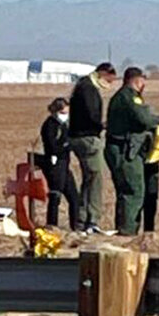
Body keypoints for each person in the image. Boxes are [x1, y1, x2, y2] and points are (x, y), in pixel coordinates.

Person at [104, 67, 159, 236]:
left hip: (121, 149)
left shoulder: (121, 96)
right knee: (134, 191)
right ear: (139, 80)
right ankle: (128, 232)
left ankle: (124, 229)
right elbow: (143, 119)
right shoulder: (129, 97)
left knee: (126, 192)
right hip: (125, 151)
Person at [68, 62, 117, 233]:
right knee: (95, 179)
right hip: (87, 138)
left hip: (78, 136)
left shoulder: (81, 86)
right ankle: (91, 220)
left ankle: (82, 220)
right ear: (103, 73)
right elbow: (90, 114)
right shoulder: (88, 88)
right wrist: (101, 125)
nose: (109, 84)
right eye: (110, 80)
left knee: (89, 179)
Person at [38, 97, 79, 230]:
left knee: (74, 198)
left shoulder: (64, 125)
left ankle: (76, 227)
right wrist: (67, 145)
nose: (65, 116)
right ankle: (52, 225)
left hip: (64, 165)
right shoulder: (50, 125)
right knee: (55, 196)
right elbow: (52, 146)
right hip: (55, 165)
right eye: (63, 113)